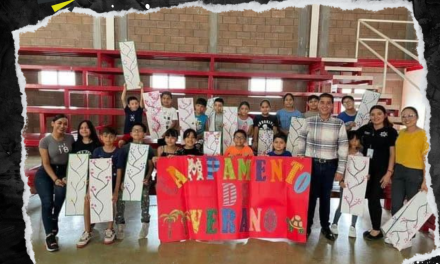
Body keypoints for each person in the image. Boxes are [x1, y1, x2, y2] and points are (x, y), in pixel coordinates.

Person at [297, 93, 348, 241]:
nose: (325, 105)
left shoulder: (339, 123)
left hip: (330, 165)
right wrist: (300, 155)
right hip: (310, 163)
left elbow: (343, 147)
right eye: (322, 102)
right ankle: (307, 227)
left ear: (332, 105)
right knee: (310, 197)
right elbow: (301, 137)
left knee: (326, 198)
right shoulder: (309, 121)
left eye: (328, 103)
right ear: (317, 105)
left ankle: (325, 227)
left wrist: (340, 170)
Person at [387, 107, 429, 245]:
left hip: (415, 173)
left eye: (410, 115)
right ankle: (396, 233)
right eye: (404, 116)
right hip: (399, 171)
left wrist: (425, 180)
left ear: (416, 117)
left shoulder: (423, 135)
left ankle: (407, 237)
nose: (407, 118)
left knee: (411, 206)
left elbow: (426, 159)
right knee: (396, 204)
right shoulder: (401, 134)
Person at [356, 105, 397, 241]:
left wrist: (389, 173)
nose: (375, 117)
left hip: (382, 170)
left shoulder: (390, 132)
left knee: (374, 198)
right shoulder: (366, 129)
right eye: (372, 114)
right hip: (366, 169)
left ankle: (376, 230)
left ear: (385, 115)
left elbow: (392, 153)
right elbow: (352, 136)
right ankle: (375, 227)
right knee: (370, 199)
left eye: (379, 113)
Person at [34, 114, 74, 252]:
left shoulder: (70, 138)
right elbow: (45, 163)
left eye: (65, 124)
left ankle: (53, 219)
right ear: (53, 123)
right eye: (59, 123)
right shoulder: (45, 141)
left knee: (60, 196)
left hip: (63, 173)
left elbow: (72, 159)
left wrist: (67, 176)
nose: (62, 126)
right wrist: (55, 179)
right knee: (47, 202)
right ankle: (50, 236)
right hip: (46, 173)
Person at [77, 126, 121, 248]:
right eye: (105, 136)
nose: (108, 138)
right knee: (87, 202)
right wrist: (88, 190)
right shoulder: (97, 151)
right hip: (97, 184)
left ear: (115, 138)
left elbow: (119, 172)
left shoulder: (118, 152)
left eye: (111, 136)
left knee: (110, 201)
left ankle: (110, 229)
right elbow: (93, 171)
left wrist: (116, 191)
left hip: (110, 185)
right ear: (101, 137)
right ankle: (87, 231)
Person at [115, 123, 155, 239]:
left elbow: (151, 165)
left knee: (145, 195)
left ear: (144, 134)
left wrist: (147, 178)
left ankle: (145, 222)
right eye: (134, 130)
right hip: (126, 180)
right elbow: (121, 167)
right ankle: (120, 223)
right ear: (131, 134)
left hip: (143, 180)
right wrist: (122, 181)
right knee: (121, 197)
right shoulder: (125, 148)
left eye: (140, 130)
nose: (137, 132)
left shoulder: (149, 149)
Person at [330, 131, 366, 238]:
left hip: (357, 185)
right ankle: (335, 223)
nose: (354, 142)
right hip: (345, 183)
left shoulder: (361, 154)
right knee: (342, 204)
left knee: (356, 205)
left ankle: (353, 226)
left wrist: (366, 176)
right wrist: (340, 181)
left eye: (357, 139)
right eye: (352, 139)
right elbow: (339, 169)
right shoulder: (343, 153)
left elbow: (363, 169)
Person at [118, 82, 145, 148]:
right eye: (132, 104)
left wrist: (142, 88)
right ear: (129, 105)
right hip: (128, 133)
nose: (135, 105)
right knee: (121, 143)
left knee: (138, 146)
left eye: (136, 103)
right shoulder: (127, 110)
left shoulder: (139, 110)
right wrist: (125, 88)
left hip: (137, 133)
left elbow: (142, 98)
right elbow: (122, 99)